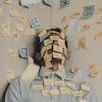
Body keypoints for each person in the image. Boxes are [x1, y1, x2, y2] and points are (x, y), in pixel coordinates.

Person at [5, 27, 98, 102]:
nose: (55, 42)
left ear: (66, 54)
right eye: (49, 41)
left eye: (60, 42)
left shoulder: (85, 89)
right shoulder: (19, 86)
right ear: (38, 55)